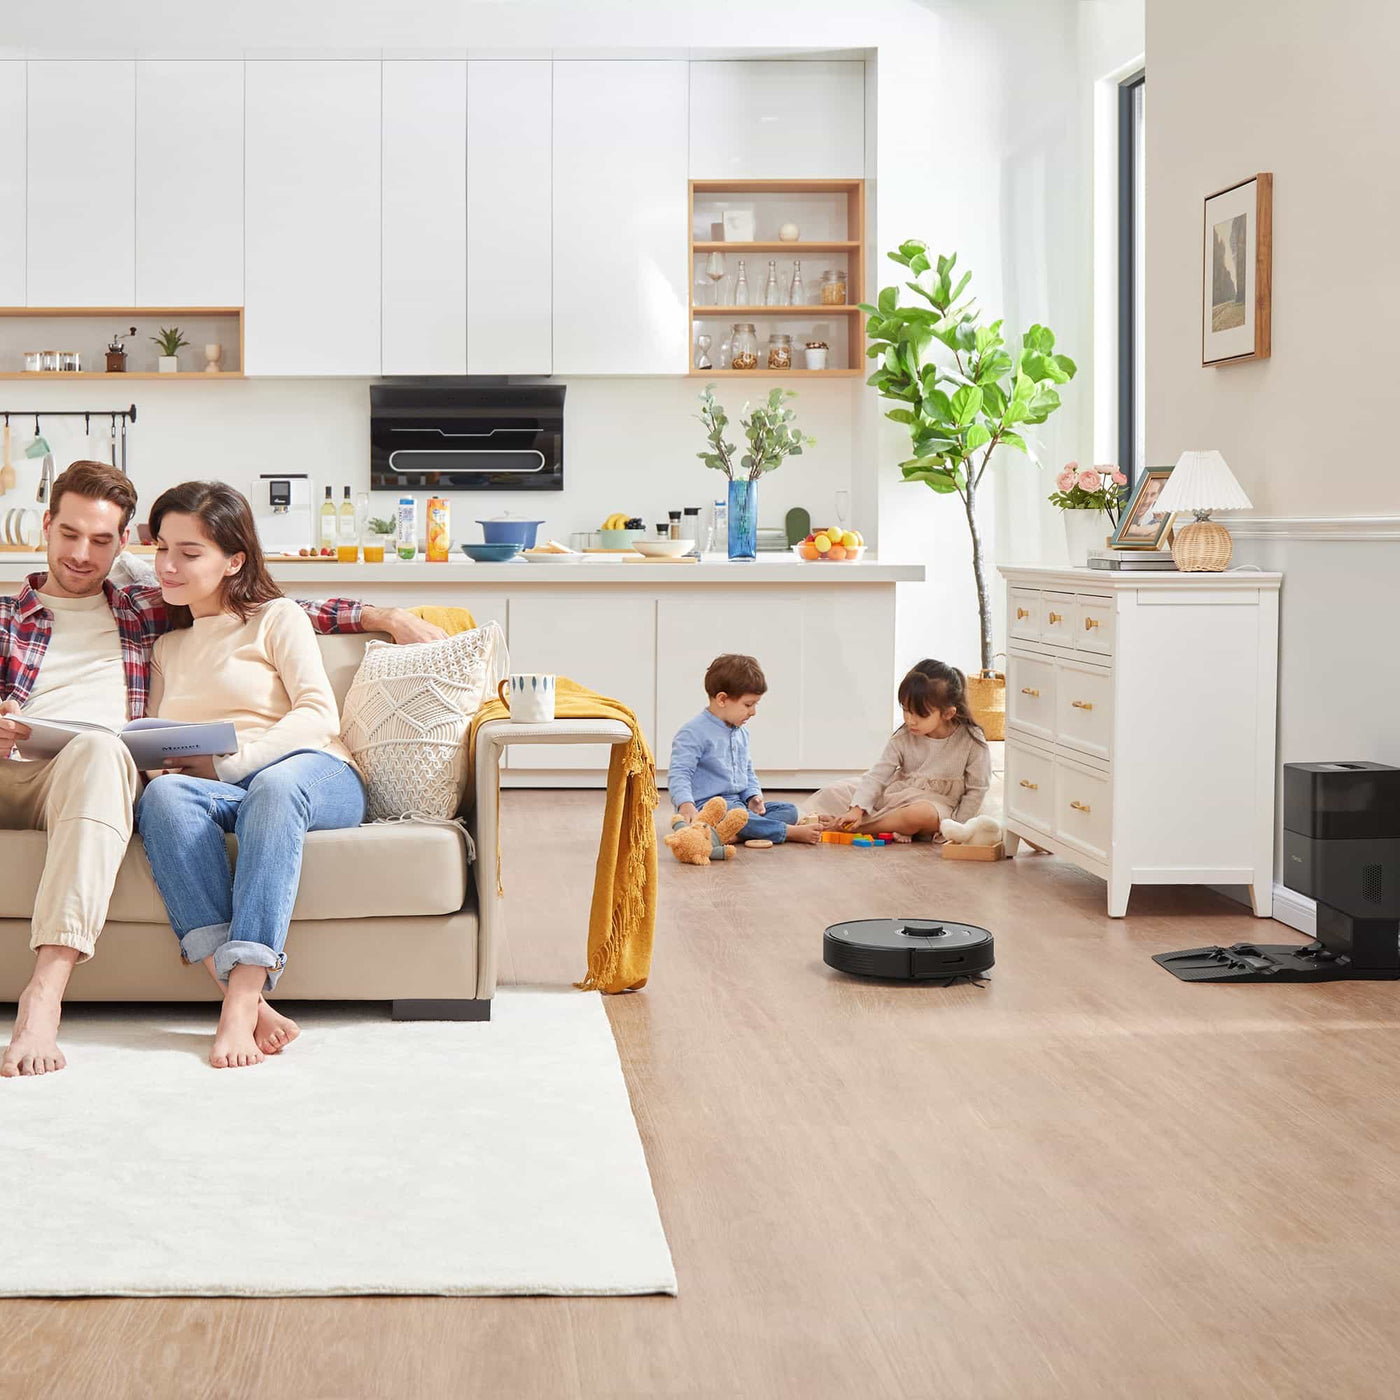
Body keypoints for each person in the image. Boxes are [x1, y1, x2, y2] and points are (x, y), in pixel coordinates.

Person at [0, 460, 441, 1078]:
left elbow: (275, 610)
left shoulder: (143, 613)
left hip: (252, 771)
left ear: (121, 543)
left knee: (134, 758)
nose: (82, 553)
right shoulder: (150, 638)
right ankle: (246, 995)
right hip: (19, 767)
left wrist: (383, 616)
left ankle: (222, 995)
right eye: (69, 534)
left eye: (102, 540)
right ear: (44, 527)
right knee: (163, 796)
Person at [135, 481, 368, 1070]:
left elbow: (318, 712)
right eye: (161, 548)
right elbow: (161, 734)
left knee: (274, 785)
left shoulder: (276, 618)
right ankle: (251, 1004)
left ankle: (241, 1001)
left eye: (189, 554)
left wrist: (232, 762)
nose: (167, 566)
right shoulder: (168, 647)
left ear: (234, 560)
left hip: (312, 775)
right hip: (223, 788)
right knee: (162, 795)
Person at [803, 659, 991, 842]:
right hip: (898, 795)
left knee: (917, 815)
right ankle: (856, 821)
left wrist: (958, 828)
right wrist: (857, 809)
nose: (910, 720)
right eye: (906, 710)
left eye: (920, 714)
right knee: (837, 791)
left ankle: (855, 828)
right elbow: (878, 775)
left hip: (939, 807)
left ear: (948, 713)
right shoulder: (904, 735)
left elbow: (977, 790)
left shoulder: (971, 740)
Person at [667, 653, 820, 847]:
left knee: (789, 810)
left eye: (755, 704)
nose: (753, 712)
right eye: (748, 705)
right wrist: (685, 805)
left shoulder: (741, 732)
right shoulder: (693, 732)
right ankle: (788, 832)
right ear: (722, 699)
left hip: (738, 805)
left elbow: (747, 769)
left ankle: (733, 834)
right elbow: (680, 773)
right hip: (709, 809)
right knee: (737, 816)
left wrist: (753, 796)